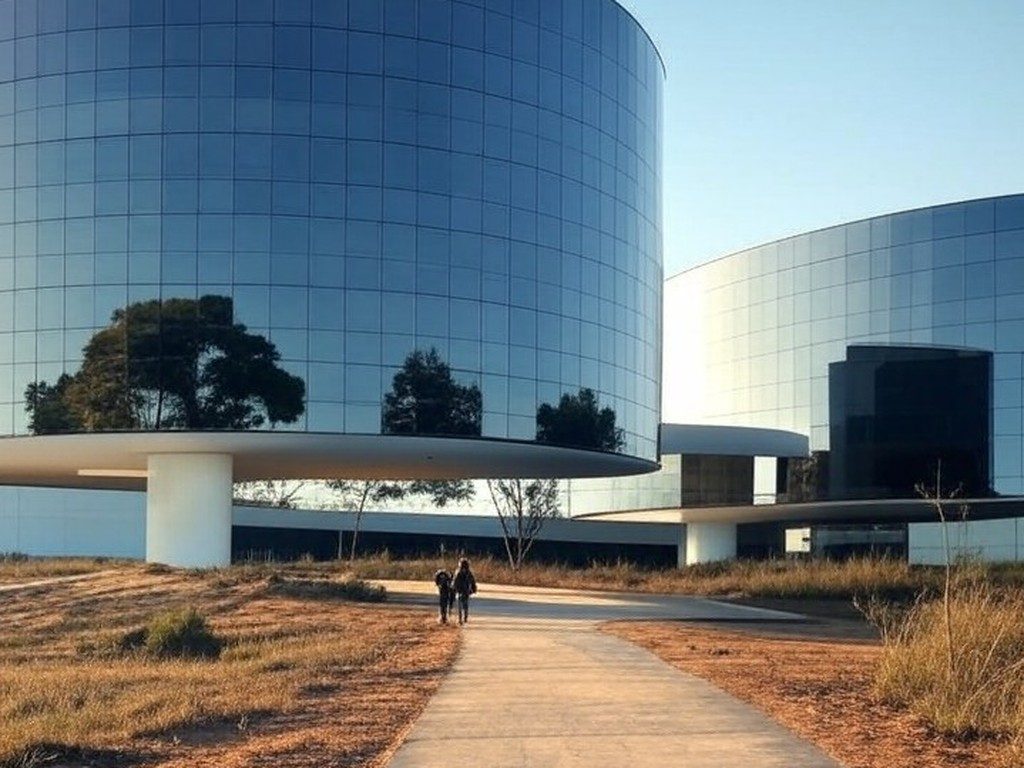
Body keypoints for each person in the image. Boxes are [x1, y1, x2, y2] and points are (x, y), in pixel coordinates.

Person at [451, 558, 477, 625]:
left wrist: (453, 589)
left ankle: (461, 619)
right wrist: (473, 589)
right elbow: (473, 581)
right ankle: (464, 618)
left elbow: (454, 581)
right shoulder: (468, 572)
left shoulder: (459, 572)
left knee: (460, 605)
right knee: (465, 605)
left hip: (461, 590)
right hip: (465, 590)